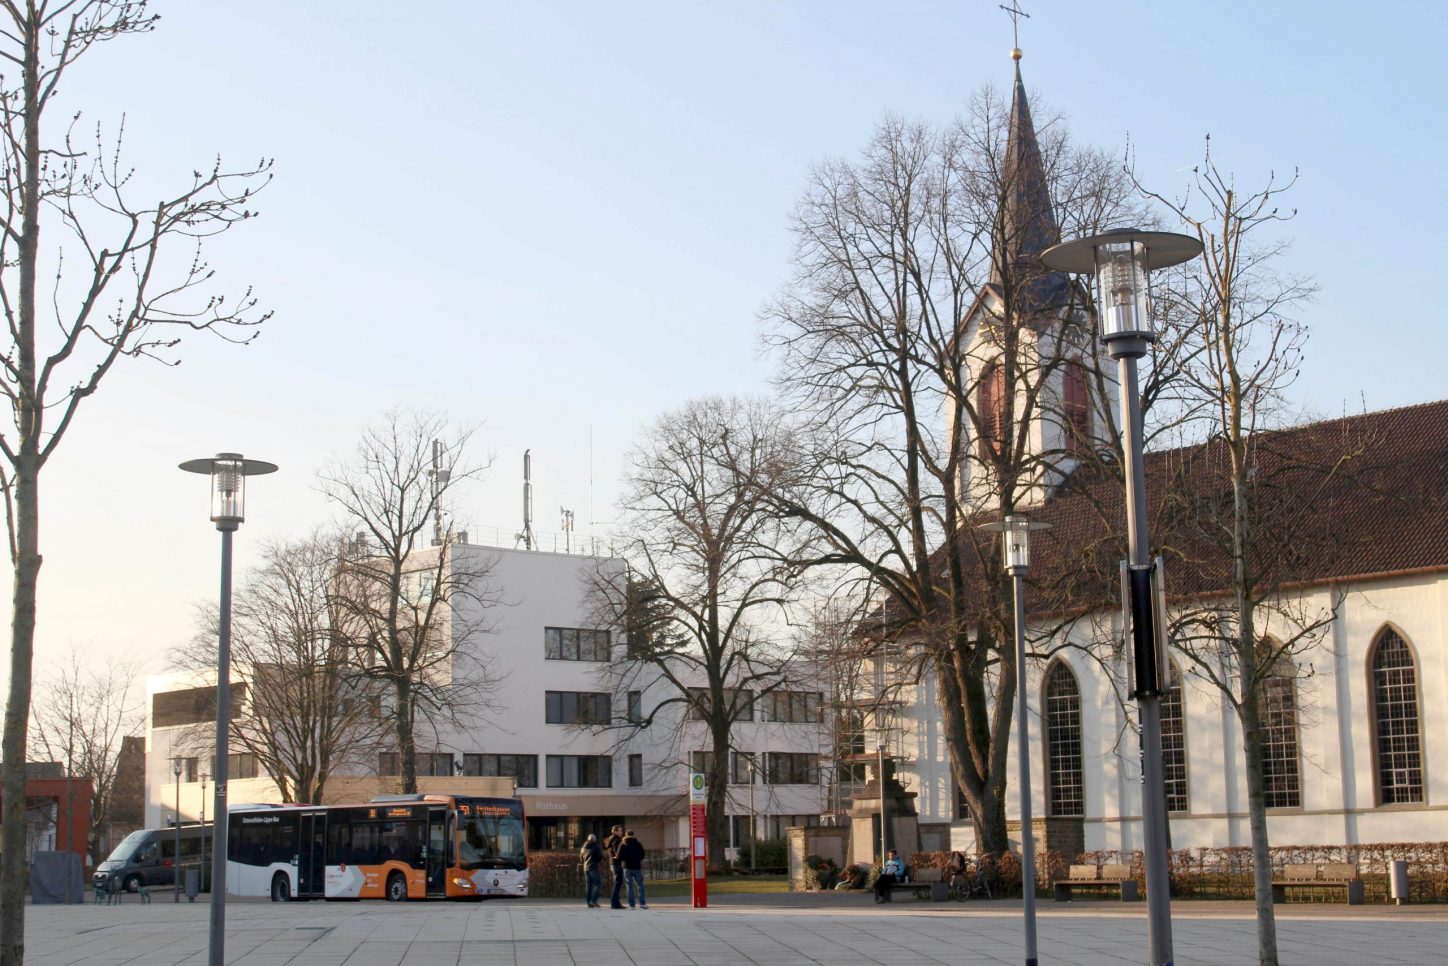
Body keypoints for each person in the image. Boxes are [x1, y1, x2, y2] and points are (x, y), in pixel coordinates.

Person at [616, 829, 647, 909]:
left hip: (627, 867)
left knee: (629, 886)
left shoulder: (622, 844)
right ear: (633, 835)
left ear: (626, 835)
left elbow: (618, 856)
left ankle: (631, 905)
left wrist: (624, 860)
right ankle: (642, 903)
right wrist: (637, 859)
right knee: (640, 885)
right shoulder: (638, 843)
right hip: (637, 866)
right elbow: (642, 855)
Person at [603, 824, 626, 909]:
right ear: (615, 831)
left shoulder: (611, 839)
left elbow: (611, 852)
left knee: (617, 883)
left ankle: (615, 902)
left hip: (613, 863)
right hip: (616, 863)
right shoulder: (617, 840)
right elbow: (617, 853)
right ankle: (615, 903)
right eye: (620, 831)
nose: (622, 832)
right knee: (618, 883)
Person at [579, 834, 605, 908]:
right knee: (598, 883)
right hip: (593, 867)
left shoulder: (583, 847)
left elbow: (581, 858)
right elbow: (599, 857)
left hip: (585, 867)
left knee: (589, 885)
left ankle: (589, 902)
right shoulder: (596, 846)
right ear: (594, 839)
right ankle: (593, 900)